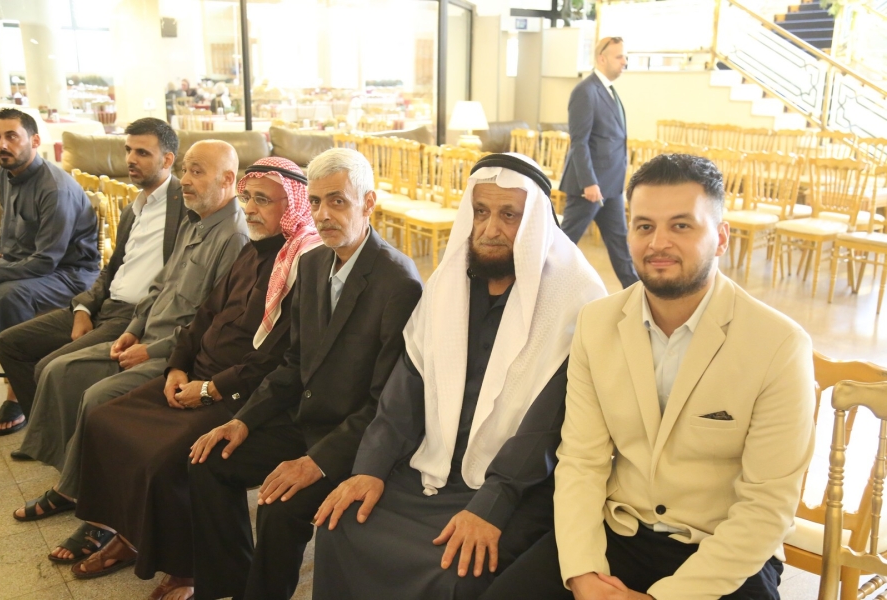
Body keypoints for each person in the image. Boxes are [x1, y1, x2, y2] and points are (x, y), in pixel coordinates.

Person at [481, 154, 816, 600]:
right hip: (619, 531)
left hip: (722, 551)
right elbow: (581, 461)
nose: (658, 243)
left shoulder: (779, 345)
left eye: (681, 225)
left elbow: (766, 507)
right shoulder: (597, 324)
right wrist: (583, 573)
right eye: (644, 226)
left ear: (720, 238)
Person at [312, 153, 607, 600]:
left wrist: (491, 506)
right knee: (341, 527)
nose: (490, 229)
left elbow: (544, 429)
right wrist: (370, 468)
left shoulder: (575, 298)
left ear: (535, 222)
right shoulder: (449, 285)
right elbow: (403, 395)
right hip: (433, 465)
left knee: (454, 574)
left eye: (509, 215)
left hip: (518, 485)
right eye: (481, 212)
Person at [60, 158, 322, 596]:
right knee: (105, 421)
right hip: (195, 375)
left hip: (240, 393)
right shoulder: (251, 249)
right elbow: (205, 313)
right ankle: (130, 536)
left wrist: (212, 389)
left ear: (292, 205)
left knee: (167, 459)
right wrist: (177, 365)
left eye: (263, 200)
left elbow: (277, 358)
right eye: (247, 197)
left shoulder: (302, 262)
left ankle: (187, 568)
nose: (250, 208)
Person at [187, 147, 422, 600]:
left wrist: (317, 461)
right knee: (209, 461)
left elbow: (386, 403)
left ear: (368, 203)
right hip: (305, 420)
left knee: (278, 505)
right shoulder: (312, 263)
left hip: (355, 439)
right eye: (314, 201)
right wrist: (243, 420)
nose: (323, 214)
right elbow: (294, 362)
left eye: (338, 201)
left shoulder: (399, 283)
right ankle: (228, 584)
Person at [11, 140, 249, 526]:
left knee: (97, 397)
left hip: (176, 354)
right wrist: (134, 330)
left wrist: (151, 350)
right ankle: (80, 480)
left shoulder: (234, 237)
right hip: (145, 337)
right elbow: (160, 285)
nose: (185, 180)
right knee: (59, 371)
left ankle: (79, 496)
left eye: (197, 172)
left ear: (227, 179)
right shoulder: (195, 219)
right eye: (185, 170)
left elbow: (210, 323)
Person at [0, 117, 185, 437]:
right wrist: (83, 307)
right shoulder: (133, 208)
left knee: (48, 367)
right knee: (9, 343)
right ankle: (50, 432)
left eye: (142, 153)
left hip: (134, 315)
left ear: (167, 160)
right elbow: (111, 268)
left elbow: (179, 283)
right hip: (103, 304)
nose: (130, 159)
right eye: (128, 150)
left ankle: (57, 439)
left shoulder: (185, 209)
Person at [0, 108, 100, 434]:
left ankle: (18, 396)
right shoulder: (6, 174)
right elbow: (13, 233)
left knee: (6, 296)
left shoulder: (55, 188)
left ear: (35, 141)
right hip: (29, 263)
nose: (2, 145)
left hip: (70, 273)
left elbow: (46, 261)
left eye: (11, 136)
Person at [558, 36, 638, 289]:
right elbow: (579, 142)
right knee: (563, 243)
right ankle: (534, 288)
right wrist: (589, 183)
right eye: (619, 56)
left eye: (625, 56)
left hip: (610, 186)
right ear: (602, 58)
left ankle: (640, 296)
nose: (624, 61)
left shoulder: (609, 90)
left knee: (620, 246)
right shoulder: (585, 91)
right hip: (590, 187)